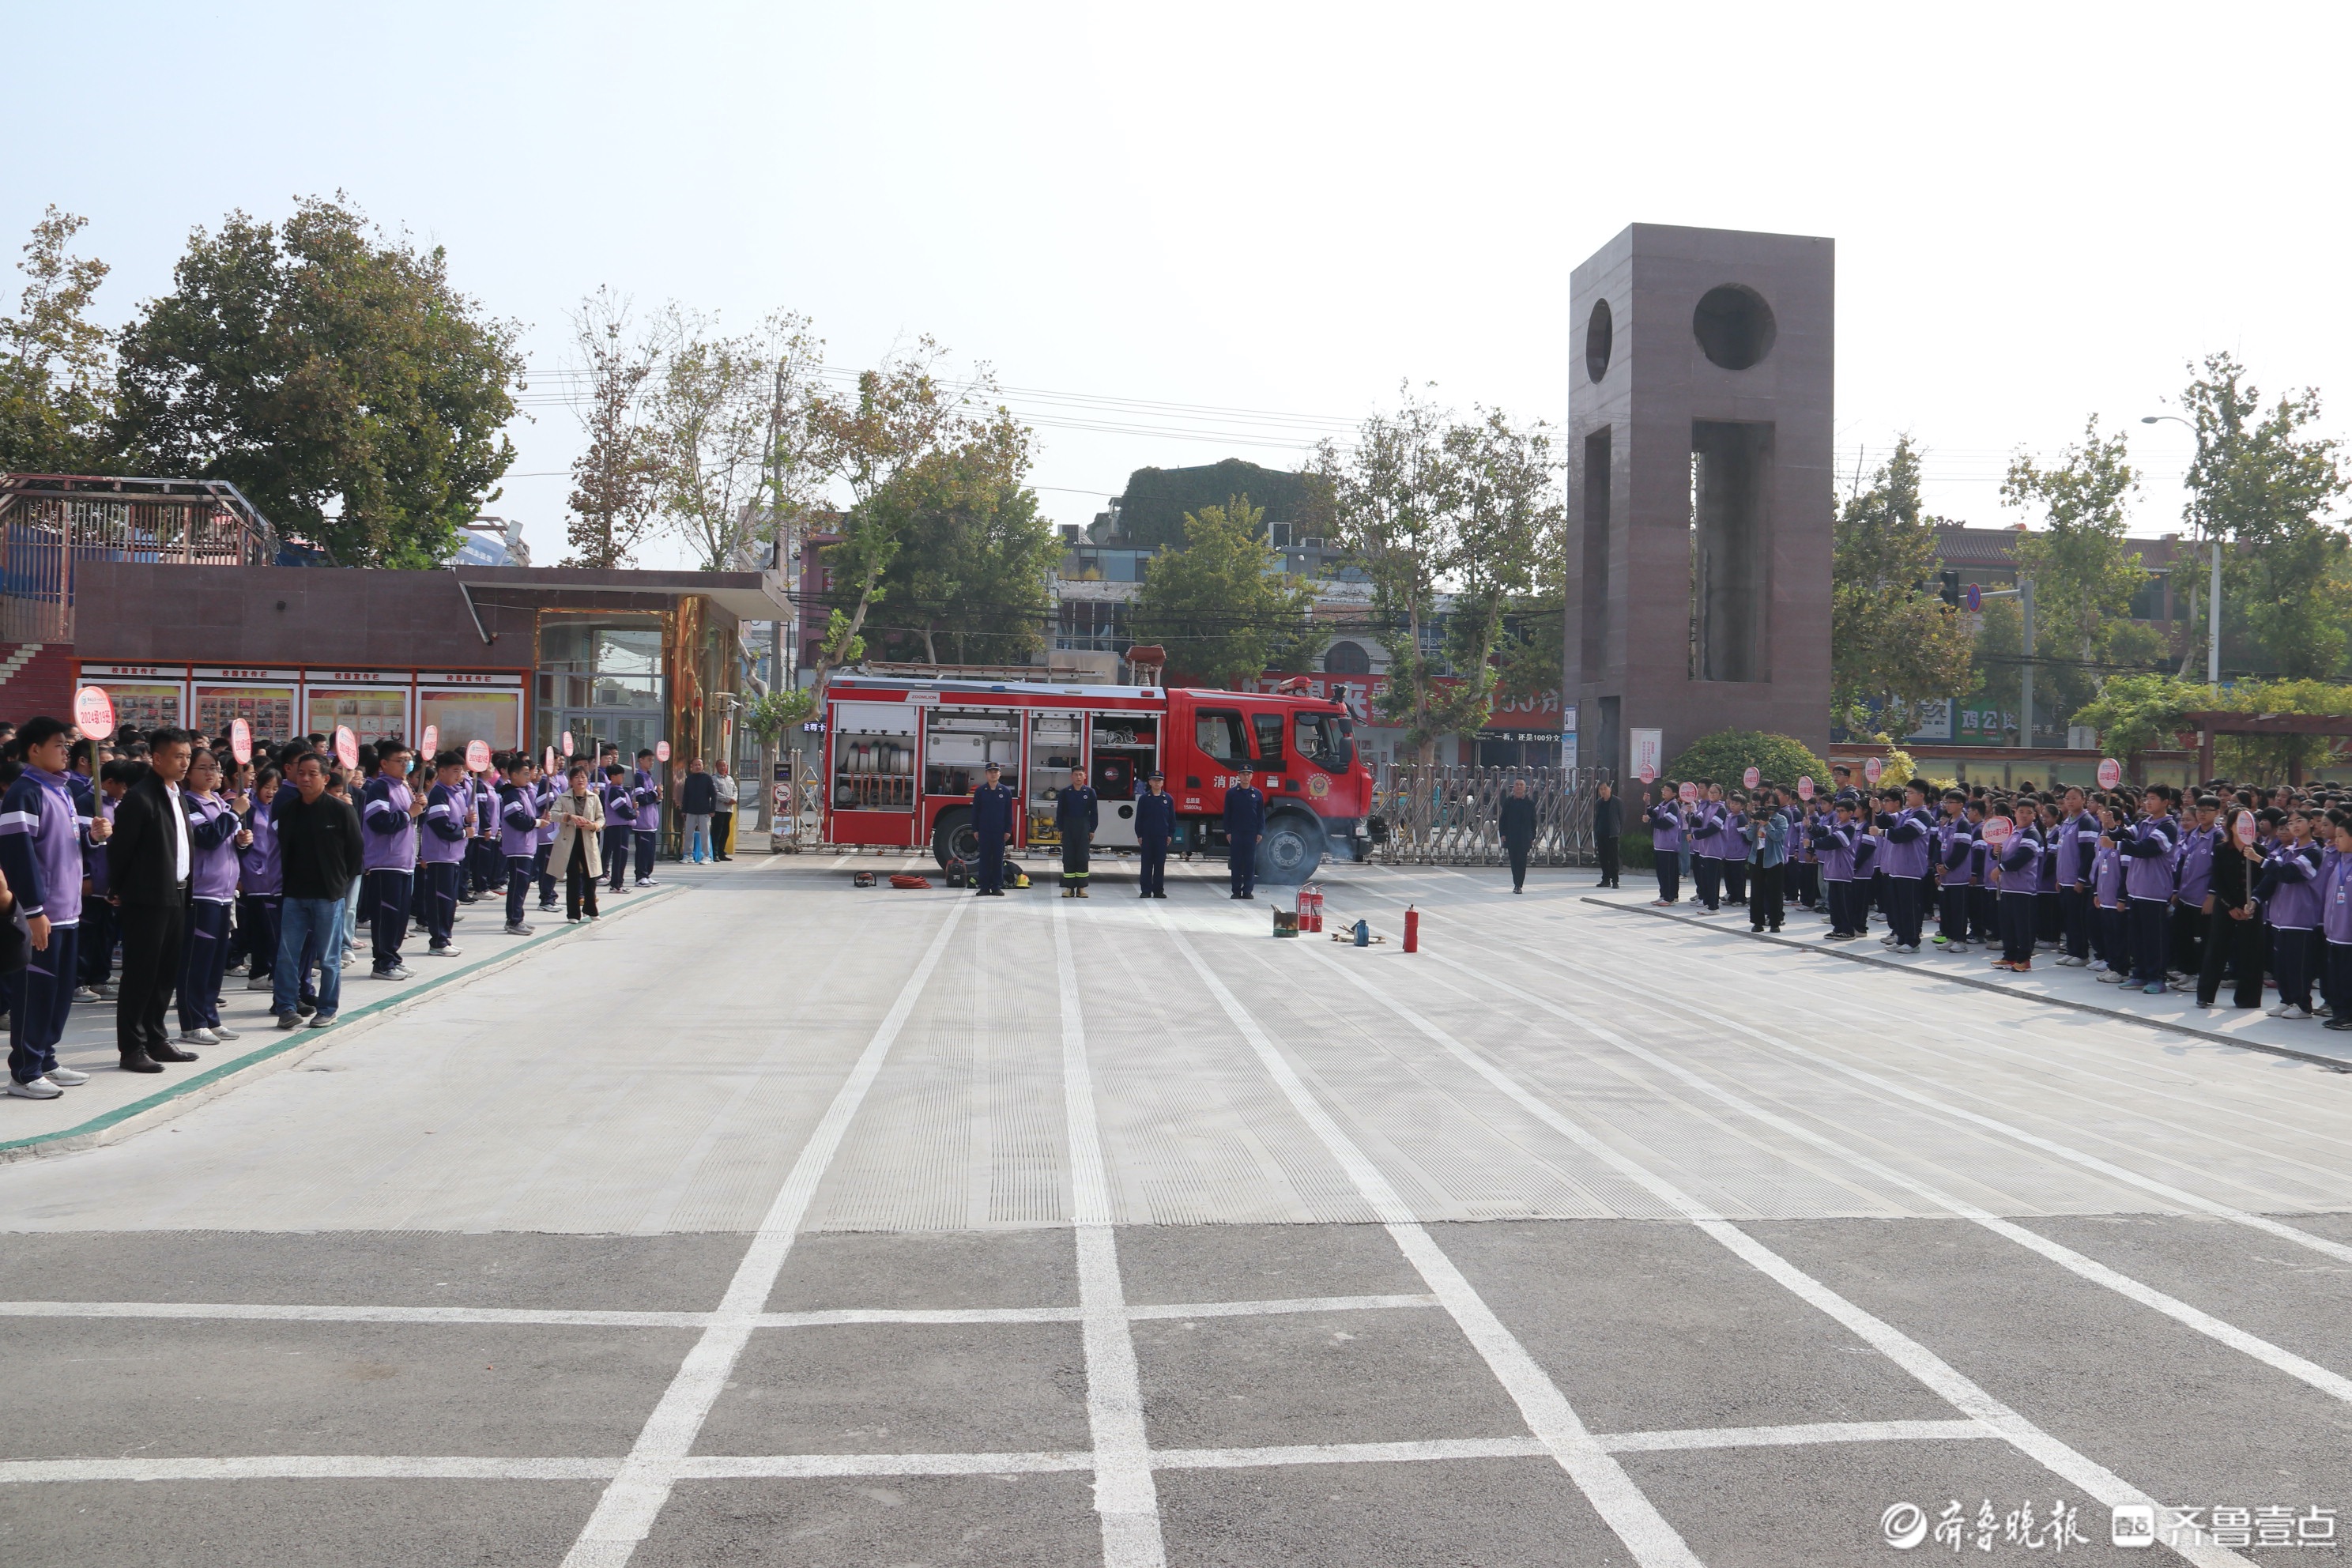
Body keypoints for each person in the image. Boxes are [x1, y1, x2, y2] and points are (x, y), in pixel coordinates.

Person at [1, 717, 104, 1098]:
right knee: (35, 992)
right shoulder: (25, 792)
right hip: (42, 913)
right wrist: (33, 912)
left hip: (69, 910)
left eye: (67, 744)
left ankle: (45, 1057)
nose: (66, 751)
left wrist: (92, 837)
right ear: (34, 750)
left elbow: (69, 845)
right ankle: (24, 1072)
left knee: (59, 993)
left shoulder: (59, 790)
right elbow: (18, 855)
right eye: (59, 744)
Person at [107, 726, 199, 1072]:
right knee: (140, 973)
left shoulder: (179, 795)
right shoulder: (140, 797)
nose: (185, 762)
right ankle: (132, 1047)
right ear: (157, 758)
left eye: (188, 756)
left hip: (177, 893)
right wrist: (118, 888)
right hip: (147, 898)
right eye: (179, 756)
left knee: (165, 972)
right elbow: (121, 849)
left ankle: (157, 1038)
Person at [270, 749, 362, 1029]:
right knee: (287, 955)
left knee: (329, 958)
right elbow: (282, 850)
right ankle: (286, 1007)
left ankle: (327, 1008)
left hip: (329, 895)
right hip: (295, 894)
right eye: (301, 773)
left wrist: (338, 884)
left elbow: (355, 854)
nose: (306, 779)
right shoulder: (288, 810)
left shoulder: (341, 810)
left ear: (325, 778)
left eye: (312, 774)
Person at [175, 748, 250, 1046]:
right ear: (189, 773)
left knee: (216, 959)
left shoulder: (218, 801)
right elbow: (207, 837)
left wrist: (243, 841)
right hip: (201, 893)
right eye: (203, 768)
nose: (211, 773)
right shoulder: (188, 804)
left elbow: (226, 840)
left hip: (223, 893)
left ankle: (209, 1017)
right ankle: (192, 1022)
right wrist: (234, 814)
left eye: (215, 768)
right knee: (197, 960)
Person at [359, 740, 424, 982]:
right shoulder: (380, 788)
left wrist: (417, 808)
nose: (407, 765)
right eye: (401, 761)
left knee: (400, 916)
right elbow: (379, 821)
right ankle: (382, 962)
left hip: (404, 861)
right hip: (386, 861)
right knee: (386, 915)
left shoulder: (404, 786)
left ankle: (393, 958)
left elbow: (410, 820)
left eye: (409, 761)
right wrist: (409, 813)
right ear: (384, 764)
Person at [2196, 804, 2266, 1010]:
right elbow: (2217, 880)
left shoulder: (2259, 851)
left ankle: (2248, 998)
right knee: (2216, 948)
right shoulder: (2220, 849)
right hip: (2225, 906)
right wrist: (2229, 907)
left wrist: (2251, 904)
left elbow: (2263, 881)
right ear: (2230, 826)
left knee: (2251, 952)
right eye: (2238, 823)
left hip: (2251, 908)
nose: (2243, 828)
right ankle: (2205, 994)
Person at [418, 749, 472, 957]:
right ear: (441, 771)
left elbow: (456, 821)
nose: (460, 776)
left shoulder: (454, 792)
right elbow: (441, 825)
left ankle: (445, 937)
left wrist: (467, 822)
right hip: (441, 855)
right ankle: (438, 941)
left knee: (449, 900)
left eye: (462, 771)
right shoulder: (439, 792)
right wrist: (463, 832)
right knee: (440, 900)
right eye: (455, 771)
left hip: (453, 855)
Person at [497, 755, 547, 936]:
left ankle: (518, 917)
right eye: (525, 774)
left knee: (522, 884)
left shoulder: (522, 792)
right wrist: (536, 823)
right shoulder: (510, 794)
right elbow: (516, 818)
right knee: (518, 884)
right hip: (518, 846)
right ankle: (513, 920)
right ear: (514, 775)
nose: (529, 777)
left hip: (526, 845)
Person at [548, 764, 605, 922]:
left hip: (588, 839)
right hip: (569, 841)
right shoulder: (563, 797)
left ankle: (590, 908)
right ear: (571, 780)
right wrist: (569, 817)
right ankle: (573, 914)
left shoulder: (594, 797)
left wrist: (593, 826)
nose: (581, 780)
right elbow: (552, 815)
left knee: (591, 876)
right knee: (573, 877)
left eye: (583, 777)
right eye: (577, 777)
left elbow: (601, 818)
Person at [968, 761, 1017, 896]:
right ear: (986, 774)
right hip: (984, 831)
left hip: (999, 831)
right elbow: (975, 812)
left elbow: (1009, 813)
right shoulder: (980, 791)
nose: (993, 774)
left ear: (1000, 774)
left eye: (996, 772)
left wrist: (1008, 830)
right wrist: (976, 830)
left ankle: (996, 886)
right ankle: (984, 887)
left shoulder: (1005, 792)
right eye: (990, 772)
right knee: (984, 859)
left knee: (997, 859)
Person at [1745, 787, 1787, 933]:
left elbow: (1778, 837)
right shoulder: (1757, 817)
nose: (1769, 805)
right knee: (1757, 891)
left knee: (1774, 891)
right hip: (1757, 856)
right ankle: (1758, 922)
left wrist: (1767, 823)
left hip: (1774, 858)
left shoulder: (1780, 819)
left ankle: (1775, 922)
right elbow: (1749, 837)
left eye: (1772, 802)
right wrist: (1754, 822)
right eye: (1767, 802)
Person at [1055, 766, 1097, 897]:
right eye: (1076, 775)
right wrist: (1061, 829)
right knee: (1068, 858)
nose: (1078, 777)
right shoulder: (1065, 792)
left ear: (1085, 776)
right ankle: (1068, 888)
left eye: (1080, 774)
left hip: (1083, 828)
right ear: (1071, 777)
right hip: (1068, 827)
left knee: (1082, 858)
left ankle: (1082, 888)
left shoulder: (1090, 792)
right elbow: (1060, 812)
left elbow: (1094, 813)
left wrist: (1092, 829)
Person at [1223, 774, 1265, 899]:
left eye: (1248, 775)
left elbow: (1260, 815)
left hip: (1251, 833)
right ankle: (1236, 891)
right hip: (1236, 833)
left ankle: (1247, 891)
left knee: (1250, 863)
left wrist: (1260, 832)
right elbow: (1227, 814)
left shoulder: (1257, 794)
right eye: (1243, 774)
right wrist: (1228, 832)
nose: (1246, 777)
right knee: (1236, 863)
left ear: (1252, 776)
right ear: (1239, 776)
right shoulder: (1231, 793)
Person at [602, 763, 638, 894]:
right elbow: (622, 810)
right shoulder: (614, 791)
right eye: (620, 775)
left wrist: (632, 808)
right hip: (618, 826)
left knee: (621, 855)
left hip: (621, 825)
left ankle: (617, 883)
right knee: (619, 855)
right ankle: (616, 884)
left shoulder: (619, 790)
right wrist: (634, 813)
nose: (623, 777)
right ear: (612, 777)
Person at [1645, 786, 1683, 906]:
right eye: (1663, 790)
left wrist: (1650, 821)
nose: (1664, 792)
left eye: (1667, 790)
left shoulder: (1673, 805)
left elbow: (1667, 823)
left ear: (1674, 793)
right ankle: (1664, 894)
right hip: (1660, 843)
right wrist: (1648, 804)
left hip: (1669, 844)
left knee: (1668, 872)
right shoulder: (1663, 804)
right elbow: (1653, 814)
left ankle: (1669, 897)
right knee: (1661, 872)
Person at [1498, 778, 1536, 894]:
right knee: (1514, 861)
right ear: (1513, 787)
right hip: (1511, 836)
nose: (1519, 787)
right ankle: (1516, 883)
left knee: (1522, 861)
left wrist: (1533, 837)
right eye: (1517, 785)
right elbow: (1503, 819)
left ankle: (1519, 885)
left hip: (1524, 837)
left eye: (1521, 785)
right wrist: (1503, 833)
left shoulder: (1529, 803)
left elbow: (1533, 821)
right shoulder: (1509, 802)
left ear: (1525, 788)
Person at [631, 749, 663, 886]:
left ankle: (647, 874)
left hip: (651, 822)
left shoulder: (650, 777)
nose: (651, 762)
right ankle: (640, 875)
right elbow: (641, 798)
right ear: (641, 760)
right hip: (642, 822)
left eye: (652, 760)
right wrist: (655, 793)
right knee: (643, 851)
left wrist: (658, 796)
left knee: (650, 852)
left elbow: (654, 798)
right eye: (649, 760)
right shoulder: (638, 777)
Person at [680, 759, 717, 865]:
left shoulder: (707, 778)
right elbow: (686, 795)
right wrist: (684, 810)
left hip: (704, 811)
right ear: (691, 766)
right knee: (689, 834)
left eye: (699, 765)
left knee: (705, 834)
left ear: (703, 766)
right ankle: (688, 855)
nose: (697, 767)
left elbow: (713, 795)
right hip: (691, 811)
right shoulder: (689, 779)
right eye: (695, 765)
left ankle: (706, 855)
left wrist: (712, 809)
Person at [1592, 781, 1622, 888]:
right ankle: (1605, 879)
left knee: (1613, 858)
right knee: (1603, 858)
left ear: (1610, 789)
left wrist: (1618, 831)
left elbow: (1621, 818)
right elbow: (1597, 818)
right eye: (1601, 789)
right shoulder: (1598, 803)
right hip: (1601, 834)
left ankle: (1615, 880)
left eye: (1605, 788)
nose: (1603, 791)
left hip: (1612, 834)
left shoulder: (1617, 802)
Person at [710, 761, 737, 860]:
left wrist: (733, 799)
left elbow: (735, 790)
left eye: (724, 766)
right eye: (720, 766)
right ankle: (715, 853)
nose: (723, 768)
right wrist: (727, 799)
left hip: (729, 810)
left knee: (726, 832)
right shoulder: (714, 779)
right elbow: (715, 793)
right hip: (719, 809)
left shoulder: (729, 778)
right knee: (717, 832)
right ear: (716, 767)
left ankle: (722, 852)